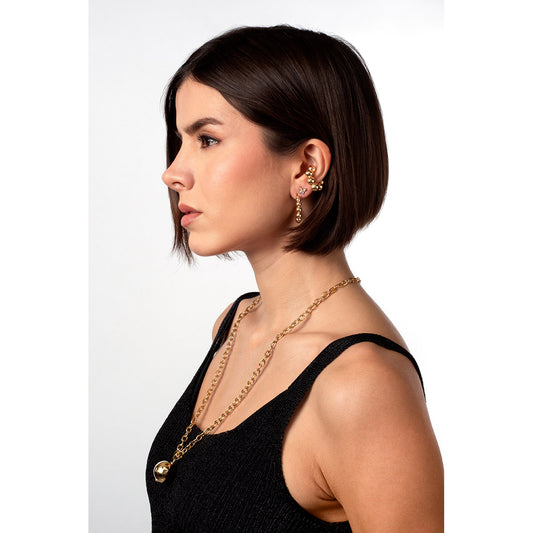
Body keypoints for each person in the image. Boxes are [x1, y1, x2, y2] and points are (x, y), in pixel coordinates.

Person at [146, 25, 443, 532]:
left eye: (207, 139)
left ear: (306, 167)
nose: (173, 172)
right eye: (180, 141)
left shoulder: (363, 387)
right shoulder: (235, 326)